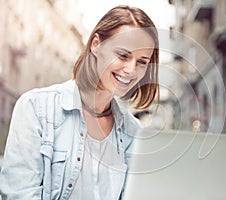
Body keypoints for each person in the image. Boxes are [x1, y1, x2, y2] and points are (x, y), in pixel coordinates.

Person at [0, 5, 159, 200]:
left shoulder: (133, 131)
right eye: (123, 55)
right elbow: (20, 194)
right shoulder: (36, 108)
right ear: (95, 44)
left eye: (142, 61)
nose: (131, 69)